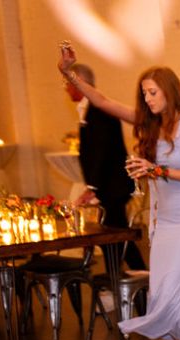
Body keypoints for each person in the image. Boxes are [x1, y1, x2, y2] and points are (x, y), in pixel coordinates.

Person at [58, 47, 180, 340]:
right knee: (163, 290)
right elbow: (102, 101)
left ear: (169, 91)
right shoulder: (150, 124)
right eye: (144, 93)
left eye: (152, 92)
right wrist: (69, 73)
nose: (147, 99)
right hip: (164, 222)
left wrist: (156, 171)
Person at [63, 62, 146, 270]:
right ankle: (119, 279)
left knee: (117, 234)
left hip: (114, 185)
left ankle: (133, 278)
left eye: (68, 83)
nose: (65, 88)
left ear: (80, 83)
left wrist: (93, 187)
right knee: (114, 234)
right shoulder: (88, 108)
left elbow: (102, 150)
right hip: (109, 185)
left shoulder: (99, 109)